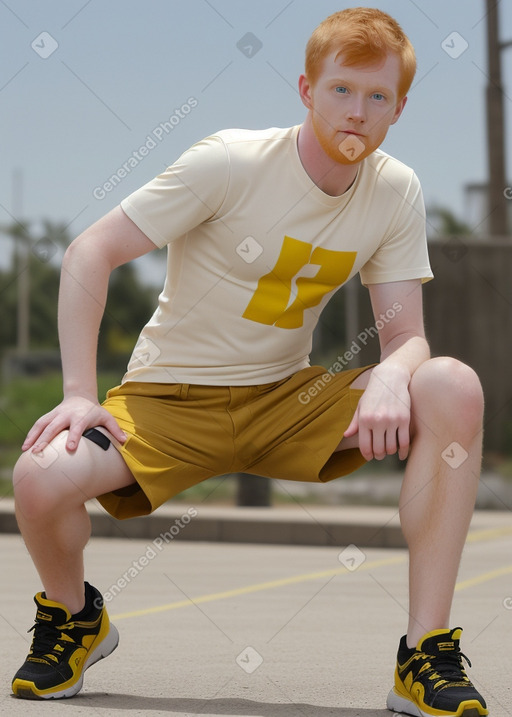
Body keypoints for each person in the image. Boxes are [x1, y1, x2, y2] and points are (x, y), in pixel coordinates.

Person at [11, 7, 488, 716]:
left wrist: (392, 372)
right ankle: (75, 616)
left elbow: (406, 335)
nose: (357, 113)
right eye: (342, 91)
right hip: (167, 403)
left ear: (399, 108)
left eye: (377, 97)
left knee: (451, 384)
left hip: (284, 402)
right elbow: (90, 252)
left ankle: (423, 652)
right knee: (39, 475)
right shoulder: (229, 162)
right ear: (306, 89)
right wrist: (80, 390)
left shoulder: (396, 190)